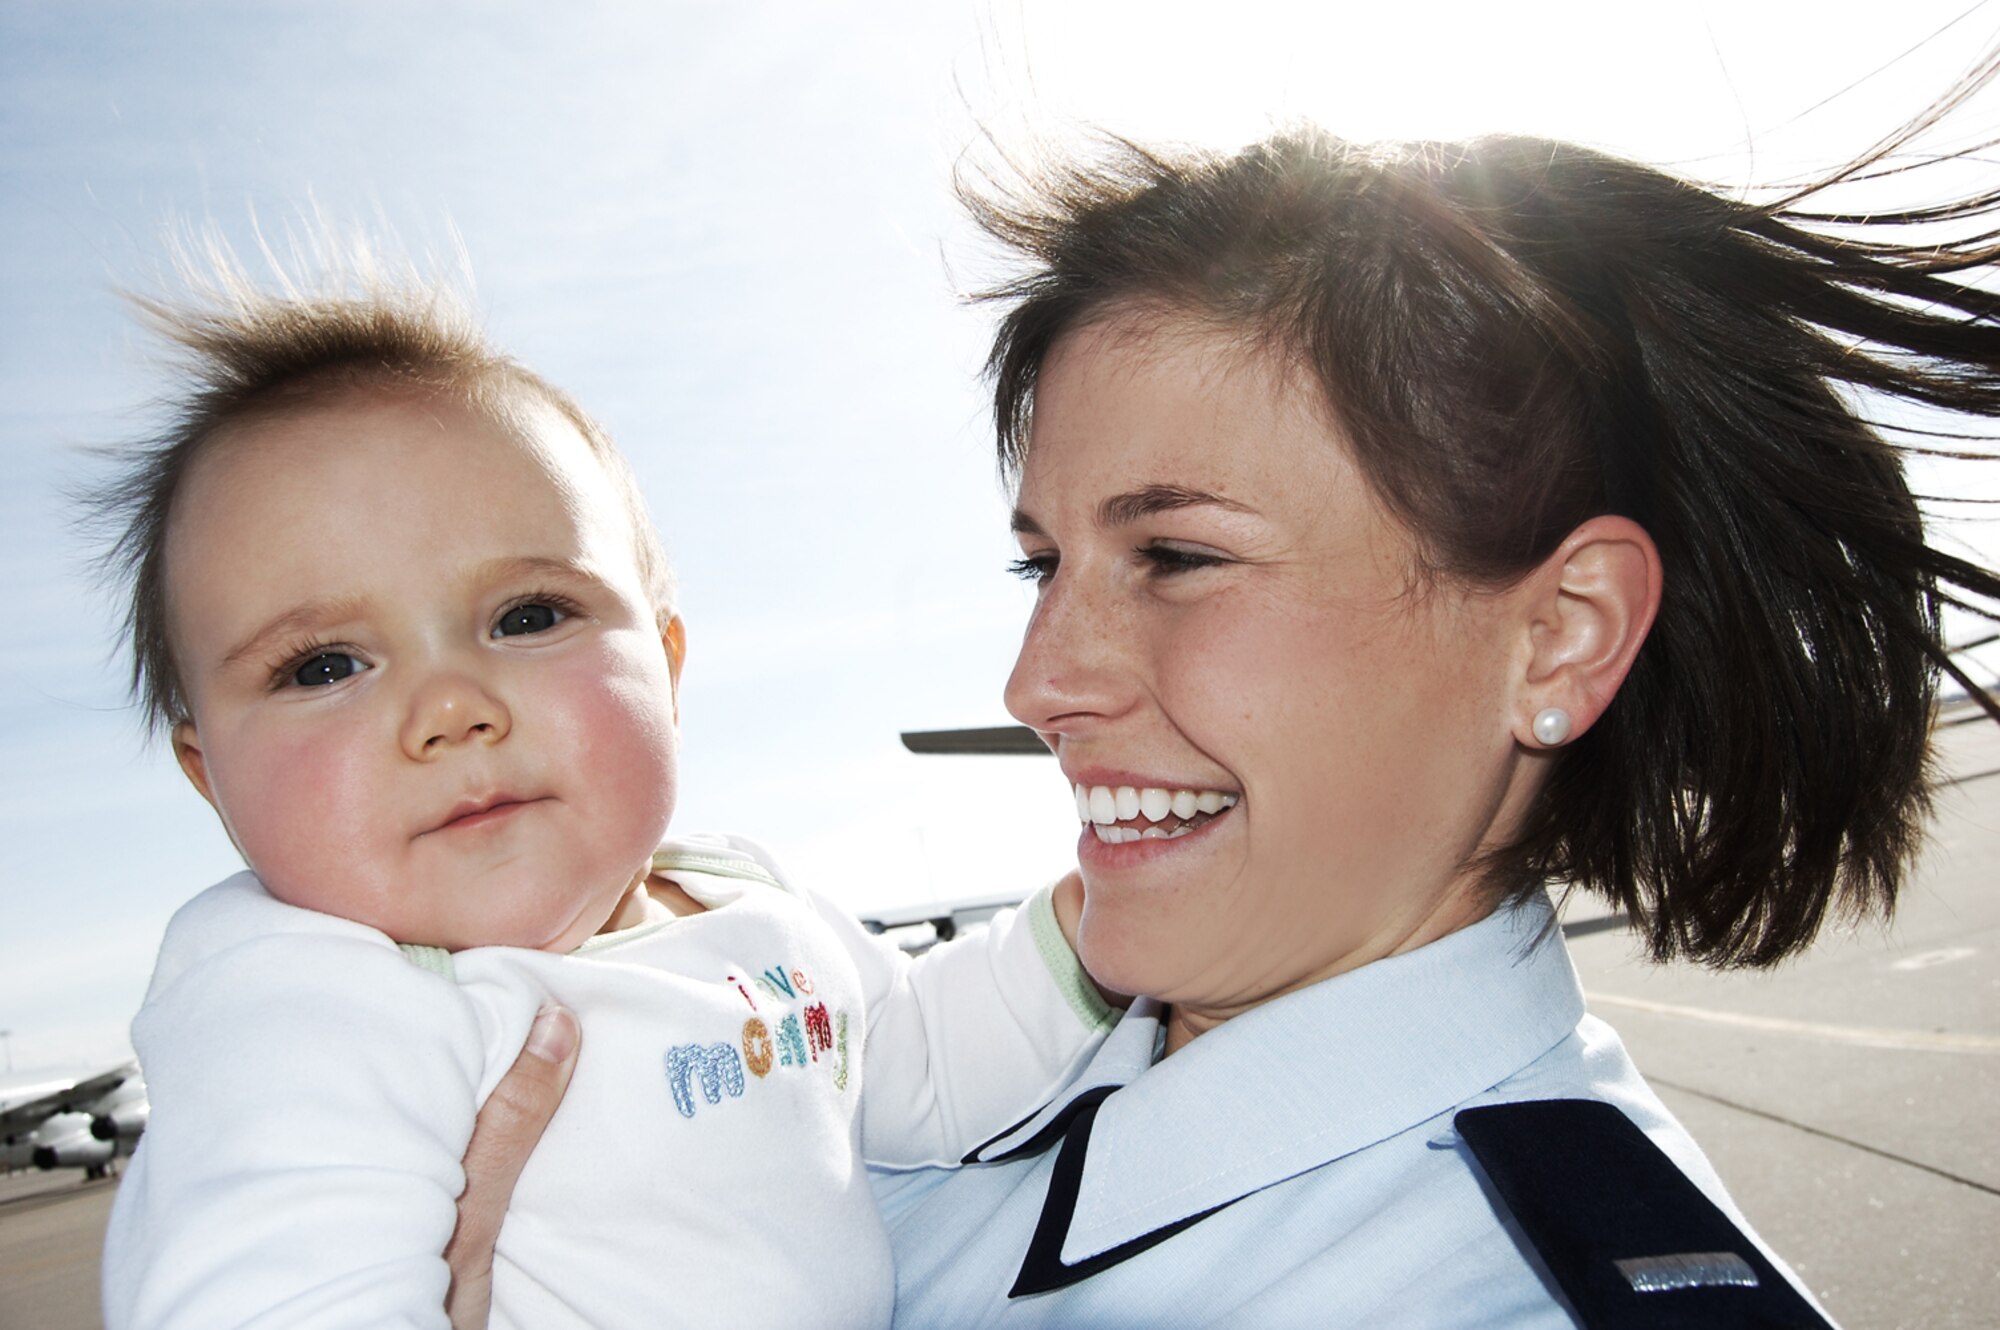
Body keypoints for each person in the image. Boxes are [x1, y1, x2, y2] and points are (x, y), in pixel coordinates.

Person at [455, 88, 2000, 1330]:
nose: (1039, 682)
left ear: (1559, 636)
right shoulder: (906, 1053)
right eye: (1045, 563)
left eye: (1179, 556)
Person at [91, 260, 1118, 1330]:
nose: (450, 706)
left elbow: (922, 1063)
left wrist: (1105, 913)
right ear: (213, 780)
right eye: (323, 667)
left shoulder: (740, 900)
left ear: (667, 669)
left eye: (527, 616)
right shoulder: (308, 1000)